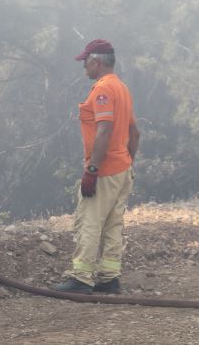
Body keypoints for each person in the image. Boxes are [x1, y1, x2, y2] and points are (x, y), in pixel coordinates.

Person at [52, 39, 140, 295]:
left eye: (85, 63)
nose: (84, 69)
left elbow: (104, 130)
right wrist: (127, 164)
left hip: (104, 170)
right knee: (113, 224)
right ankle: (109, 277)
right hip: (122, 169)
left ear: (96, 61)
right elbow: (135, 133)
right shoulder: (122, 88)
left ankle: (81, 277)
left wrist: (93, 169)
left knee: (89, 221)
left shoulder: (102, 90)